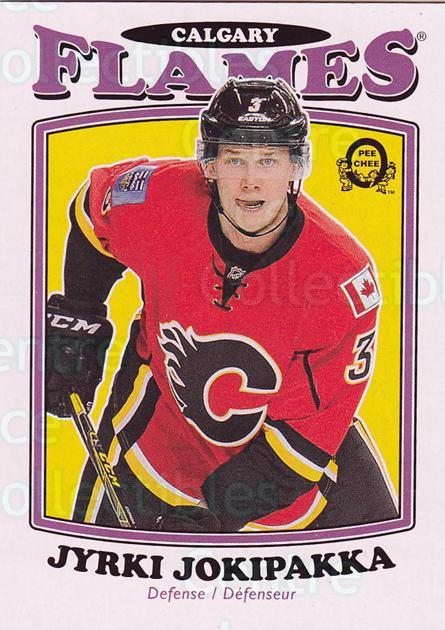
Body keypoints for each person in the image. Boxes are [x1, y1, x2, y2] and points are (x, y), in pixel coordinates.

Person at [46, 78, 397, 533]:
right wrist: (80, 316)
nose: (251, 181)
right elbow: (93, 213)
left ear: (297, 167)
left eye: (269, 160)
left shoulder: (341, 278)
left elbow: (304, 443)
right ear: (209, 165)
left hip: (292, 488)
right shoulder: (160, 197)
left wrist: (212, 519)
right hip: (153, 442)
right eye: (234, 158)